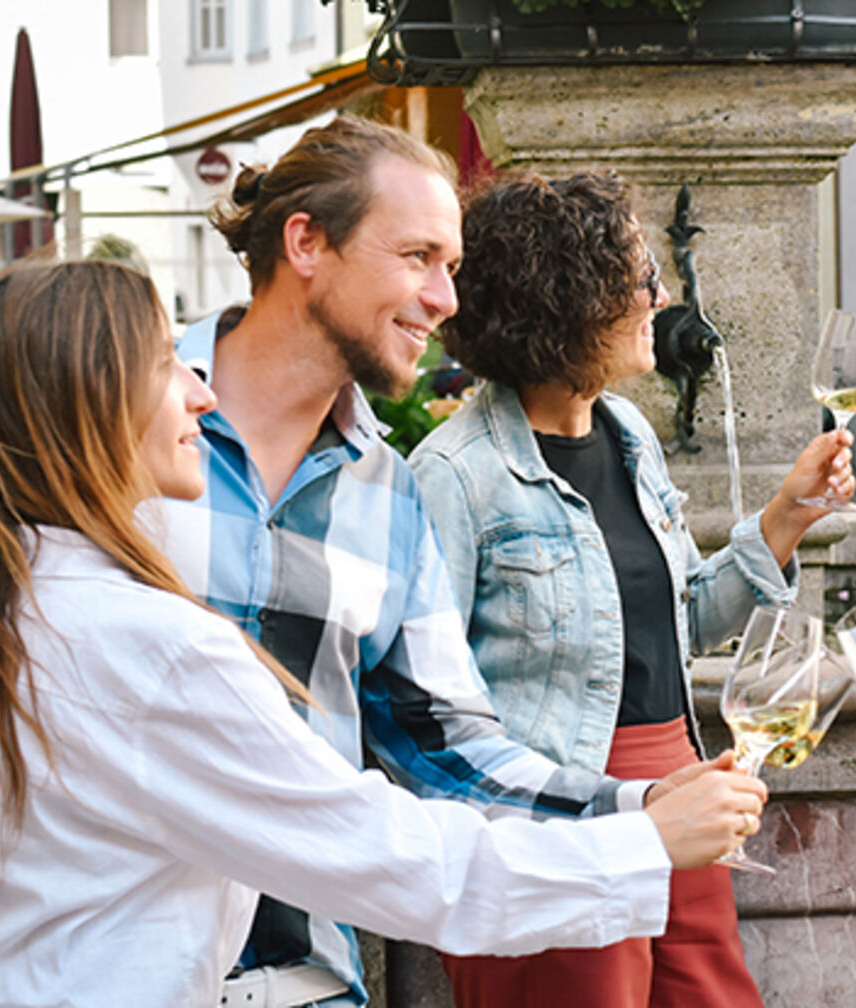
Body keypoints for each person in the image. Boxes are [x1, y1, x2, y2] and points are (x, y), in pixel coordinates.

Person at [0, 258, 766, 1008]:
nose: (198, 393)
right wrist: (638, 842)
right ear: (85, 405)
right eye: (162, 366)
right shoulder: (154, 651)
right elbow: (382, 854)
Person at [159, 115, 754, 1007]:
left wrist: (635, 812)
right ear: (306, 242)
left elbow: (445, 742)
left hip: (302, 981)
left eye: (452, 265)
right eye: (420, 258)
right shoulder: (118, 423)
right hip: (129, 962)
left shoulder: (385, 493)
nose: (447, 300)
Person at [407, 170, 852, 1007]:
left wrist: (788, 514)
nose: (660, 297)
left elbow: (676, 624)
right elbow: (426, 705)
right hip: (551, 813)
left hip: (678, 781)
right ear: (567, 302)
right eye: (639, 278)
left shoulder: (630, 435)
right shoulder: (454, 476)